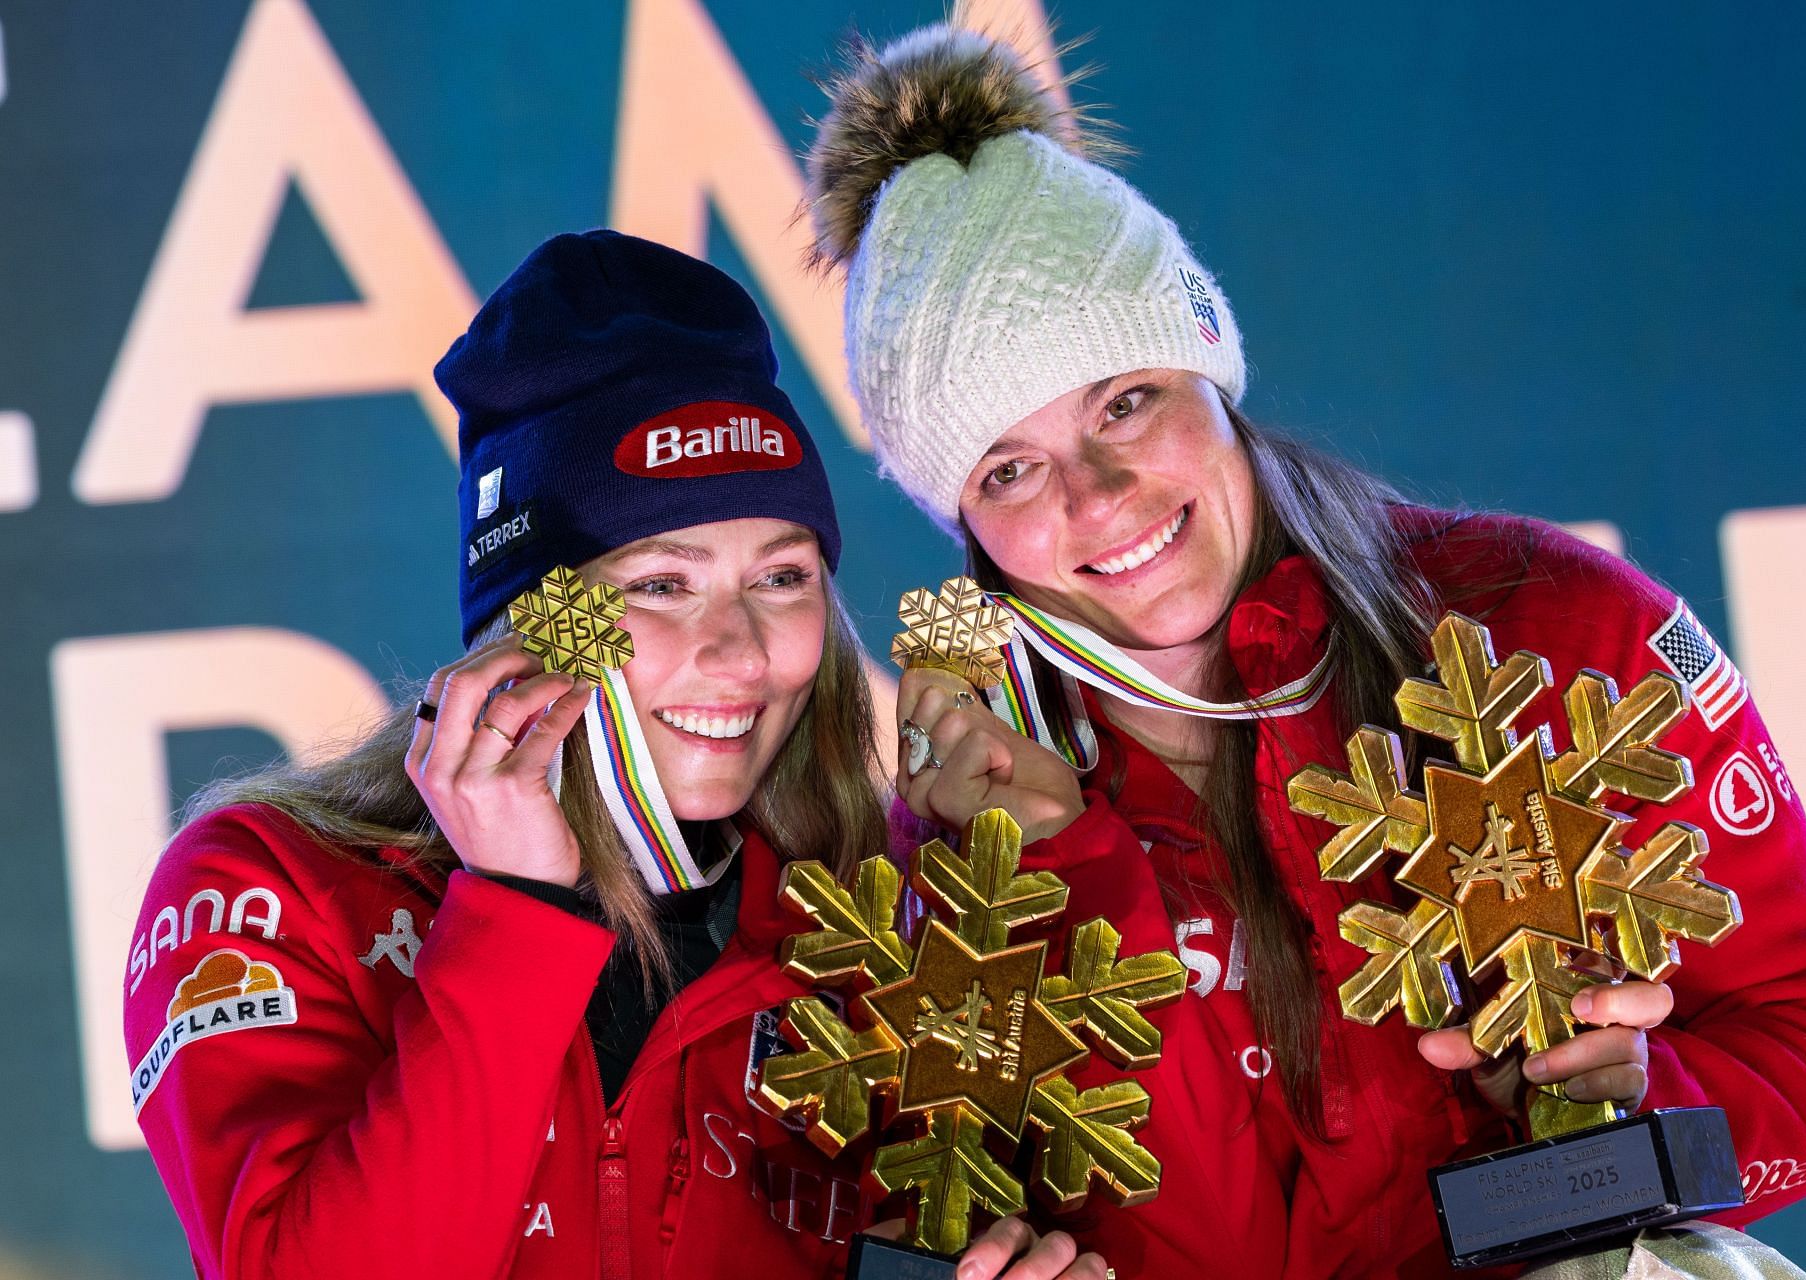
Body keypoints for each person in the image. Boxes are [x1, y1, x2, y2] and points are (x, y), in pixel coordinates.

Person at [804, 25, 1806, 1279]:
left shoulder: (1553, 629)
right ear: (964, 521)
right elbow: (902, 1216)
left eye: (1125, 401)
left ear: (1210, 362)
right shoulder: (949, 846)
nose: (1099, 496)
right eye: (1010, 467)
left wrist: (1646, 1113)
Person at [122, 231, 1105, 1280]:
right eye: (659, 585)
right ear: (530, 622)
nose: (739, 652)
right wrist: (515, 909)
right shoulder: (272, 886)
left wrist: (1058, 864)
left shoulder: (855, 919)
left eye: (782, 577)